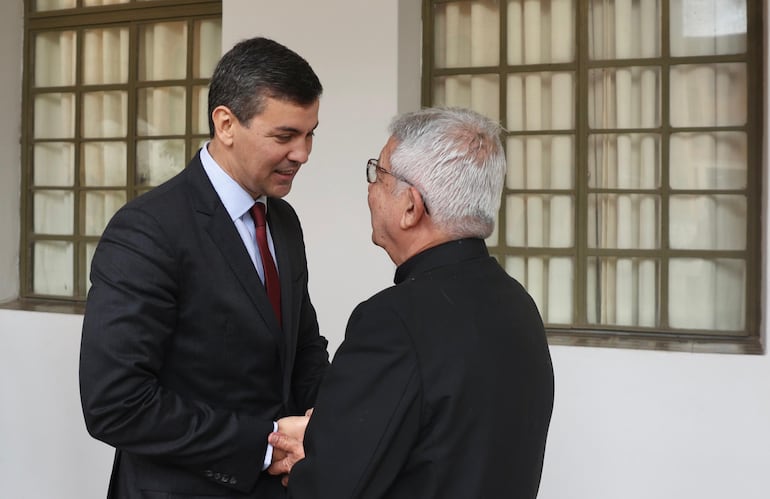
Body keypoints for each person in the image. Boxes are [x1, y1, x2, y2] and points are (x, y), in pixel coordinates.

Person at [79, 37, 330, 498]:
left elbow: (303, 349)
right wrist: (265, 445)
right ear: (226, 123)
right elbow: (116, 403)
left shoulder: (283, 220)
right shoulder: (148, 230)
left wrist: (328, 424)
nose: (303, 153)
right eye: (285, 136)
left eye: (310, 133)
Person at [268, 107, 555, 498]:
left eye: (379, 175)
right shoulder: (516, 304)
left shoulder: (393, 322)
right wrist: (329, 439)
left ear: (411, 207)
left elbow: (332, 488)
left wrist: (311, 458)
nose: (370, 189)